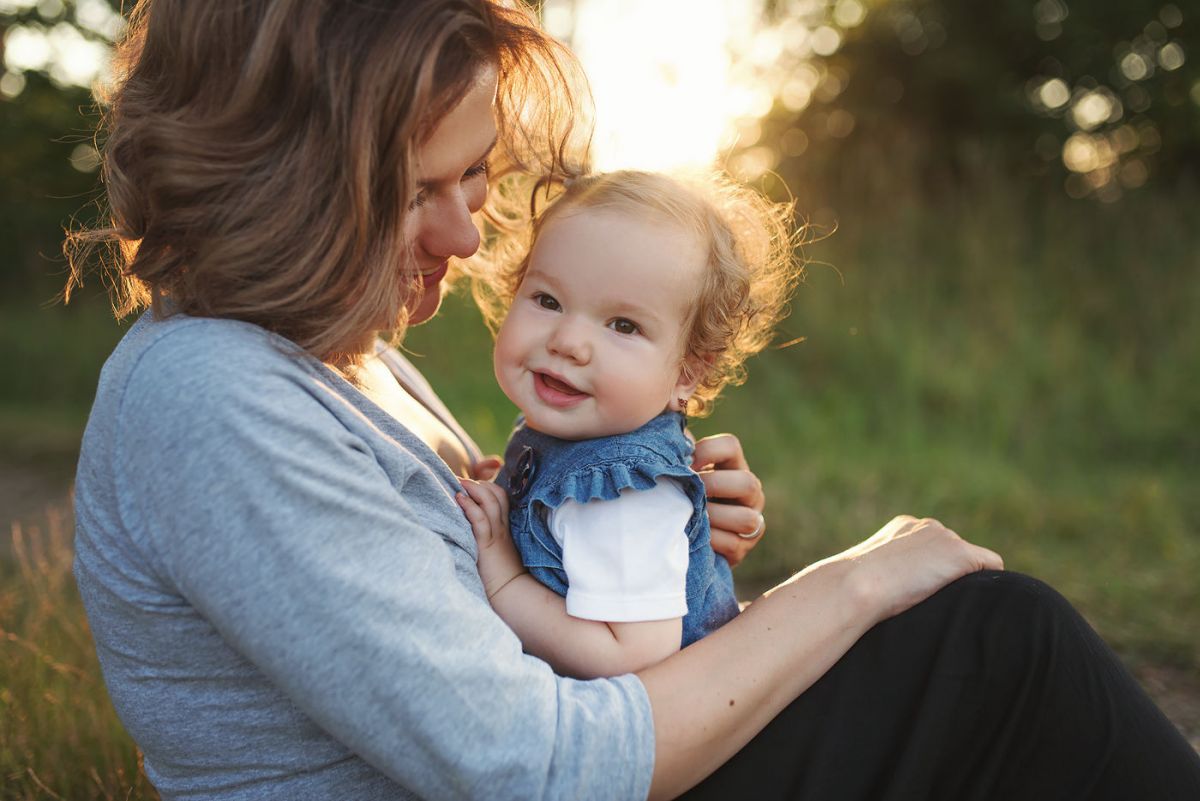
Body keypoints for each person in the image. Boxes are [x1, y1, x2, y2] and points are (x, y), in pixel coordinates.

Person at [64, 1, 1200, 800]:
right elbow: (536, 768)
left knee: (974, 655)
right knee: (995, 645)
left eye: (477, 181)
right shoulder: (211, 396)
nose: (469, 239)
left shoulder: (339, 358)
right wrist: (846, 585)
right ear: (281, 176)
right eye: (419, 193)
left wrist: (671, 542)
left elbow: (514, 593)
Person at [455, 170, 799, 678]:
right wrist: (513, 500)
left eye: (623, 325)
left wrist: (504, 580)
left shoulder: (624, 496)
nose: (568, 340)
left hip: (693, 743)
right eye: (548, 301)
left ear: (687, 373)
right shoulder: (576, 443)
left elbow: (632, 656)